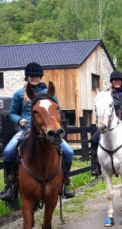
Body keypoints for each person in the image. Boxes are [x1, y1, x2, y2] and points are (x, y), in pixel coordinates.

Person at [0, 62, 75, 200]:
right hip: (26, 129)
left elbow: (56, 110)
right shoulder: (19, 94)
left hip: (48, 130)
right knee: (8, 151)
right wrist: (18, 120)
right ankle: (10, 184)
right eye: (32, 76)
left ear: (40, 77)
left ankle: (65, 182)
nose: (34, 78)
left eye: (37, 76)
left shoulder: (49, 93)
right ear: (27, 77)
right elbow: (13, 113)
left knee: (69, 152)